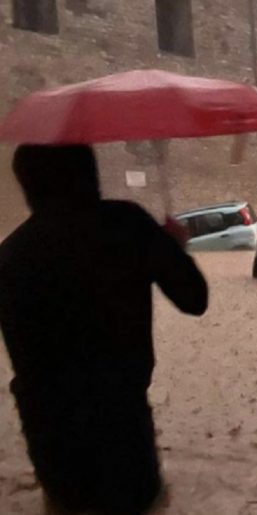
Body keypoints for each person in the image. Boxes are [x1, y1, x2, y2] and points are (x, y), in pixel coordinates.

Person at [0, 145, 208, 514]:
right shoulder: (127, 225)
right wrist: (173, 249)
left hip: (51, 446)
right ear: (89, 172)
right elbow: (194, 299)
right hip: (125, 438)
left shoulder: (11, 255)